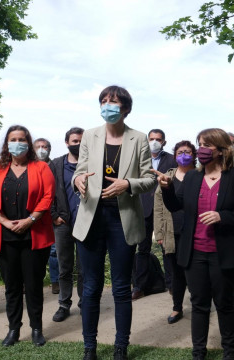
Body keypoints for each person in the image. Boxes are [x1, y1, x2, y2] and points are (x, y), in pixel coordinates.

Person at [71, 85, 156, 360]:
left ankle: (121, 346)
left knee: (121, 287)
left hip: (123, 220)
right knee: (91, 286)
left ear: (126, 108)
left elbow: (150, 179)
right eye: (104, 101)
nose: (108, 105)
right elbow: (80, 171)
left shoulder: (139, 138)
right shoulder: (89, 135)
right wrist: (78, 180)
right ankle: (89, 347)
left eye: (114, 102)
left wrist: (127, 184)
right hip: (91, 218)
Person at [156, 128, 234, 360]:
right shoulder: (192, 177)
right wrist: (167, 187)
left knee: (224, 304)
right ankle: (198, 351)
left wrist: (223, 216)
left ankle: (229, 350)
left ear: (221, 150)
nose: (201, 150)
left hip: (223, 253)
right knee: (199, 304)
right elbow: (175, 206)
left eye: (206, 145)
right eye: (200, 144)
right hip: (195, 253)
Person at [0, 125, 55, 347]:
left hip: (34, 236)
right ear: (7, 144)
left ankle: (36, 329)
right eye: (13, 139)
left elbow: (47, 197)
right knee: (12, 287)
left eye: (21, 139)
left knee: (33, 286)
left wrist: (29, 221)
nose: (17, 143)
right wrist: (5, 222)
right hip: (5, 238)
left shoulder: (41, 167)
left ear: (28, 142)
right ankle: (13, 329)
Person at [153, 140, 196, 324]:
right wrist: (160, 234)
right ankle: (177, 308)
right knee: (176, 273)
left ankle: (199, 306)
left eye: (187, 151)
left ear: (194, 154)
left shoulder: (200, 175)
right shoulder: (166, 177)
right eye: (180, 152)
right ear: (175, 155)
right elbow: (158, 208)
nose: (184, 155)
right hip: (173, 232)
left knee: (195, 272)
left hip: (195, 233)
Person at [133, 129, 177, 301]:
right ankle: (139, 286)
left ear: (164, 142)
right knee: (142, 249)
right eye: (151, 139)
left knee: (167, 247)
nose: (154, 142)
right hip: (143, 208)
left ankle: (172, 284)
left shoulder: (172, 159)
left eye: (158, 139)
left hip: (164, 209)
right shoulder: (139, 159)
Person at [49, 127, 85, 322]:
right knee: (64, 267)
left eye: (80, 141)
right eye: (74, 141)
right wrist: (54, 216)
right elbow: (47, 193)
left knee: (83, 267)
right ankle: (64, 304)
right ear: (66, 142)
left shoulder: (90, 164)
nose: (77, 144)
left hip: (85, 223)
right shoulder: (55, 165)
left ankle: (84, 303)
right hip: (62, 223)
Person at [34, 137, 58, 294]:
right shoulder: (28, 166)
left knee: (54, 251)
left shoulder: (55, 166)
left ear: (49, 149)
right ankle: (33, 280)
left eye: (45, 146)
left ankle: (56, 281)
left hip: (53, 214)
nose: (42, 149)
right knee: (34, 250)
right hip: (34, 215)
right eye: (38, 146)